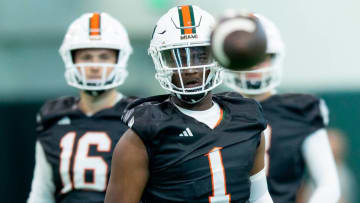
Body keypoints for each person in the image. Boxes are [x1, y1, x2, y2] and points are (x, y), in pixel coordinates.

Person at [105, 5, 273, 203]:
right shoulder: (143, 134)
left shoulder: (247, 117)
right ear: (162, 62)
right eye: (179, 57)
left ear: (216, 56)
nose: (190, 68)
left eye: (200, 55)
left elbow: (260, 197)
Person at [223, 13, 341, 203]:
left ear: (274, 57)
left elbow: (328, 185)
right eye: (247, 57)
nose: (254, 64)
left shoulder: (301, 110)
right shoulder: (217, 109)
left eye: (261, 56)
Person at [27, 12, 133, 203]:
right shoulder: (53, 116)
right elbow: (41, 192)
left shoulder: (140, 116)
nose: (94, 66)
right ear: (72, 60)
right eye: (86, 56)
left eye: (103, 56)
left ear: (119, 59)